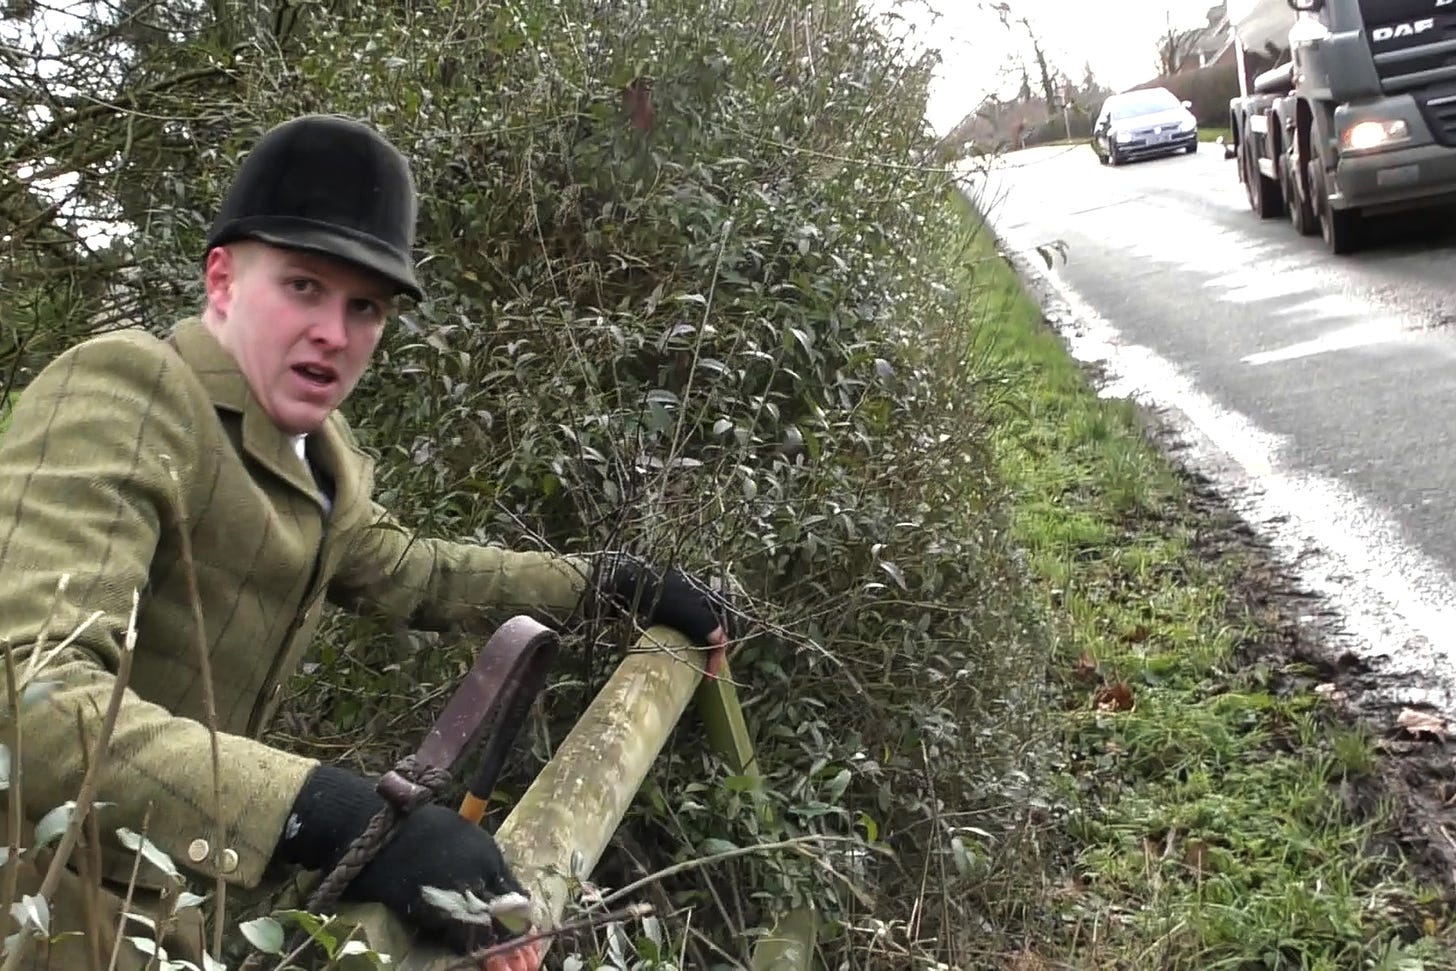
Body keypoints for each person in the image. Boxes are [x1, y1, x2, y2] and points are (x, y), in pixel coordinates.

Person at [0, 114, 730, 970]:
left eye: (365, 307)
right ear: (224, 278)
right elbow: (26, 698)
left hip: (161, 911)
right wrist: (330, 813)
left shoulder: (321, 456)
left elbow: (414, 571)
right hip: (35, 902)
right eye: (303, 286)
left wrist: (611, 582)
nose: (335, 334)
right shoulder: (130, 387)